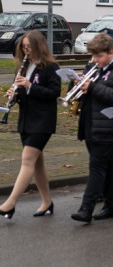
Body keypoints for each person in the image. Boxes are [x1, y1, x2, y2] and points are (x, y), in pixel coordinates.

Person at [71, 31, 113, 223]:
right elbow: (83, 95)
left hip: (110, 127)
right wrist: (76, 85)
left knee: (97, 168)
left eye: (99, 56)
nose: (95, 59)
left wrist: (92, 87)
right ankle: (112, 206)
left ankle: (86, 209)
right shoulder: (95, 68)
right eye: (93, 56)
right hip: (91, 124)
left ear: (110, 52)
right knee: (106, 168)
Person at [0, 30, 61, 219]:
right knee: (37, 164)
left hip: (43, 120)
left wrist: (29, 86)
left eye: (29, 47)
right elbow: (25, 94)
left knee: (27, 160)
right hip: (26, 120)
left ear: (39, 46)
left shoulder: (51, 67)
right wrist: (15, 94)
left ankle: (9, 204)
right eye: (24, 47)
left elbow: (53, 93)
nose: (26, 51)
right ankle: (47, 202)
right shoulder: (24, 66)